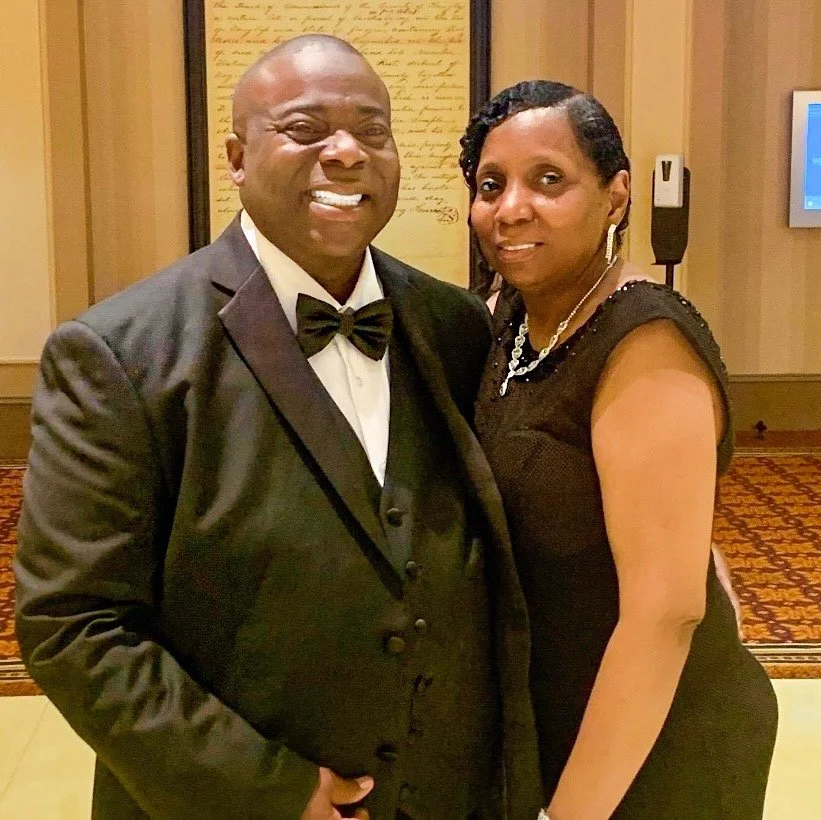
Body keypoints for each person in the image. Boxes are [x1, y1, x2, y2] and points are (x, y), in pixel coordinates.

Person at [14, 36, 543, 819]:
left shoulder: (454, 324)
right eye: (304, 129)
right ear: (235, 156)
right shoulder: (119, 355)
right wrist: (270, 791)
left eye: (372, 130)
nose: (346, 153)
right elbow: (73, 624)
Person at [461, 80, 778, 819]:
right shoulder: (516, 316)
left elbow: (664, 616)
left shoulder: (642, 341)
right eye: (491, 184)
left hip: (664, 736)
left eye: (549, 179)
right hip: (569, 702)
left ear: (617, 195)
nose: (512, 208)